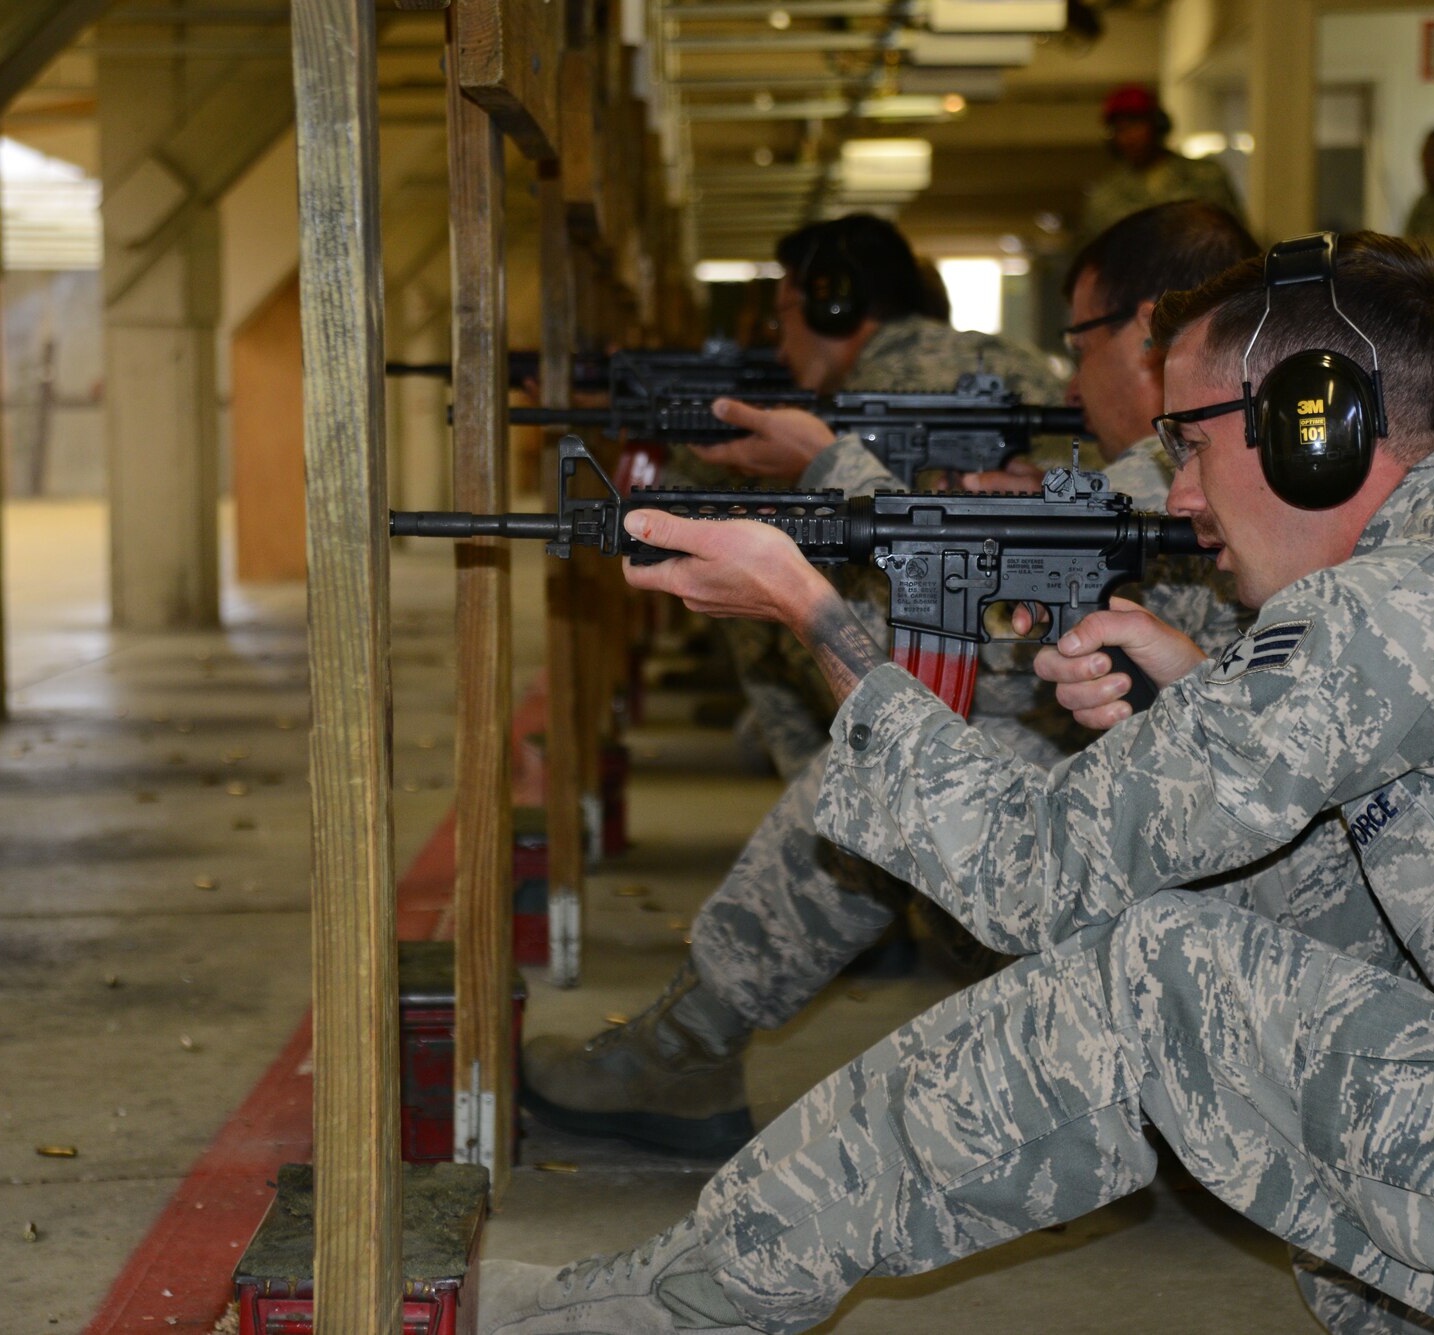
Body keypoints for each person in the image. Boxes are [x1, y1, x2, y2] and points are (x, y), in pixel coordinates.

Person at [485, 231, 1434, 1334]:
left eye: (1190, 442)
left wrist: (809, 611)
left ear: (1315, 431)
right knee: (1280, 997)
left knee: (1160, 976)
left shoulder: (1400, 612)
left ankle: (685, 1302)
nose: (1175, 496)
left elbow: (1039, 878)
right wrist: (1206, 692)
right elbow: (1423, 866)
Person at [518, 202, 1258, 1159]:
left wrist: (831, 487)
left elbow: (942, 675)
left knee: (905, 738)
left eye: (1080, 342)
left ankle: (688, 1047)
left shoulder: (1190, 483)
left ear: (1156, 329)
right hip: (1221, 916)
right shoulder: (1227, 468)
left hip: (1224, 973)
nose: (1069, 381)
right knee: (916, 731)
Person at [709, 214, 1073, 780]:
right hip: (1067, 681)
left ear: (834, 306)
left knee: (765, 582)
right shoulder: (1019, 359)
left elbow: (854, 608)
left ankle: (829, 793)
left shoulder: (856, 405)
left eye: (784, 319)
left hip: (967, 711)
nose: (781, 350)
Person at [1077, 85, 1246, 248]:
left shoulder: (1205, 176)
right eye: (1121, 129)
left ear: (1158, 126)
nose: (1129, 137)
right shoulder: (1105, 195)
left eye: (1136, 124)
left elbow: (1236, 237)